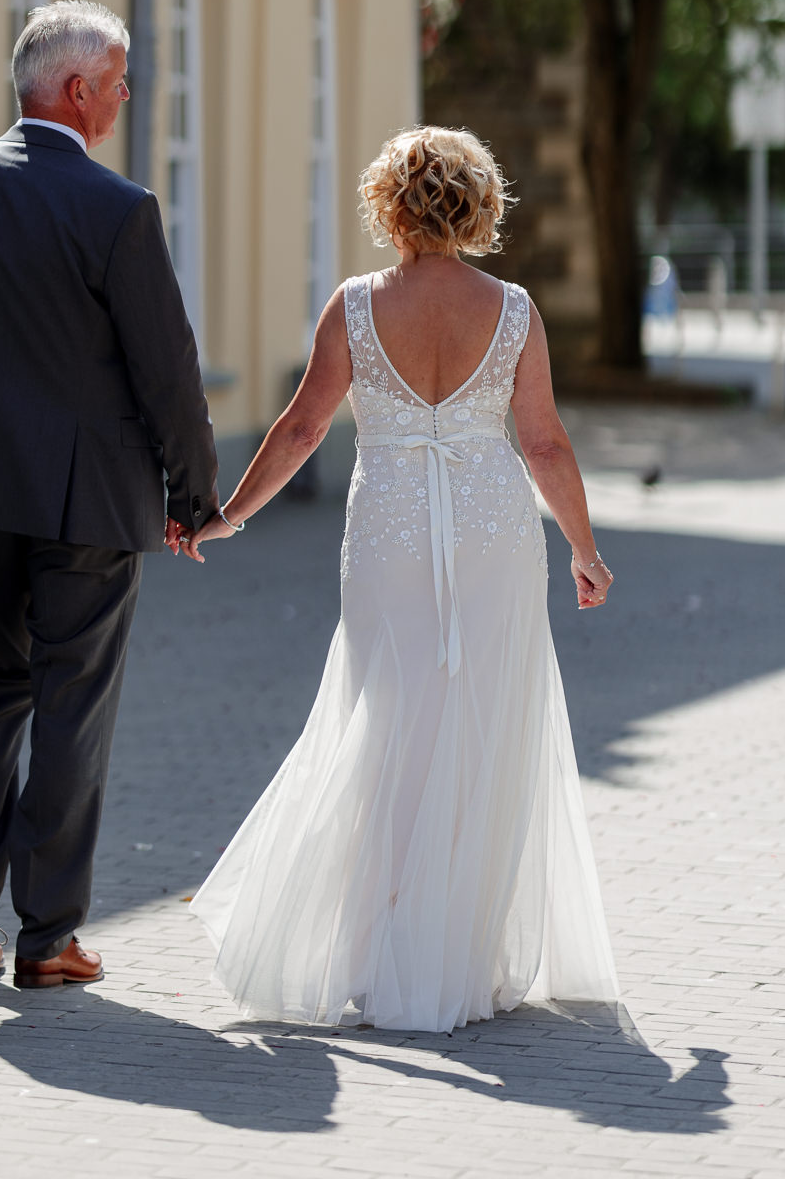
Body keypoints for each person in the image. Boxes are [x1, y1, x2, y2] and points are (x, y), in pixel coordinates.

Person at [188, 125, 619, 1031]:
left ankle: (384, 946)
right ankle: (454, 952)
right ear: (478, 205)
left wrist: (229, 515)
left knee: (389, 716)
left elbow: (302, 429)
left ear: (390, 205)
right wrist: (584, 548)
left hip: (386, 532)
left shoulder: (353, 305)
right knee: (483, 719)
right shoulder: (513, 310)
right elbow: (542, 441)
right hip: (494, 529)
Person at [0, 0, 218, 989]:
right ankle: (46, 937)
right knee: (72, 702)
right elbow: (168, 369)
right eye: (118, 79)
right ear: (76, 89)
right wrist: (193, 493)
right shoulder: (116, 207)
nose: (125, 95)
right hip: (86, 500)